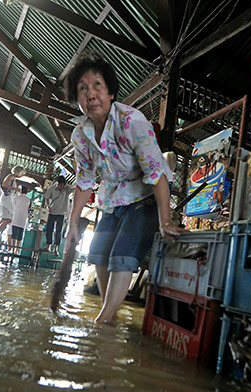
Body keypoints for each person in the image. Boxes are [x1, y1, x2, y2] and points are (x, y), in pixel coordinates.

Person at [64, 51, 186, 325]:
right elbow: (84, 181)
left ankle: (104, 319)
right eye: (82, 89)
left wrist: (164, 221)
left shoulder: (132, 122)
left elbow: (157, 174)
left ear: (110, 93)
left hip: (144, 199)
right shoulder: (80, 134)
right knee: (99, 251)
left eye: (97, 86)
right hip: (112, 199)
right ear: (77, 98)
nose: (90, 94)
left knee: (122, 252)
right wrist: (72, 223)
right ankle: (111, 314)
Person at [0, 165, 26, 242]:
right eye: (22, 173)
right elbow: (4, 184)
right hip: (6, 200)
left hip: (7, 199)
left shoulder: (12, 178)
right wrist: (15, 189)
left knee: (3, 219)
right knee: (8, 219)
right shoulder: (11, 176)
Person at [43, 175, 70, 255]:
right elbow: (46, 197)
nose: (60, 187)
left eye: (61, 185)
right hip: (52, 212)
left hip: (61, 213)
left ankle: (56, 248)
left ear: (64, 185)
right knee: (49, 230)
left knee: (59, 231)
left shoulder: (67, 190)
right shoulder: (52, 188)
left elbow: (75, 187)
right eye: (58, 185)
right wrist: (48, 206)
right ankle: (48, 247)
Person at [10, 185, 31, 255]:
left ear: (20, 191)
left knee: (14, 234)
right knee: (20, 235)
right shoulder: (29, 200)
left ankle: (12, 249)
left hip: (15, 217)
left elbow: (12, 207)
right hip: (23, 219)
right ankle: (17, 250)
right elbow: (30, 210)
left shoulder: (16, 198)